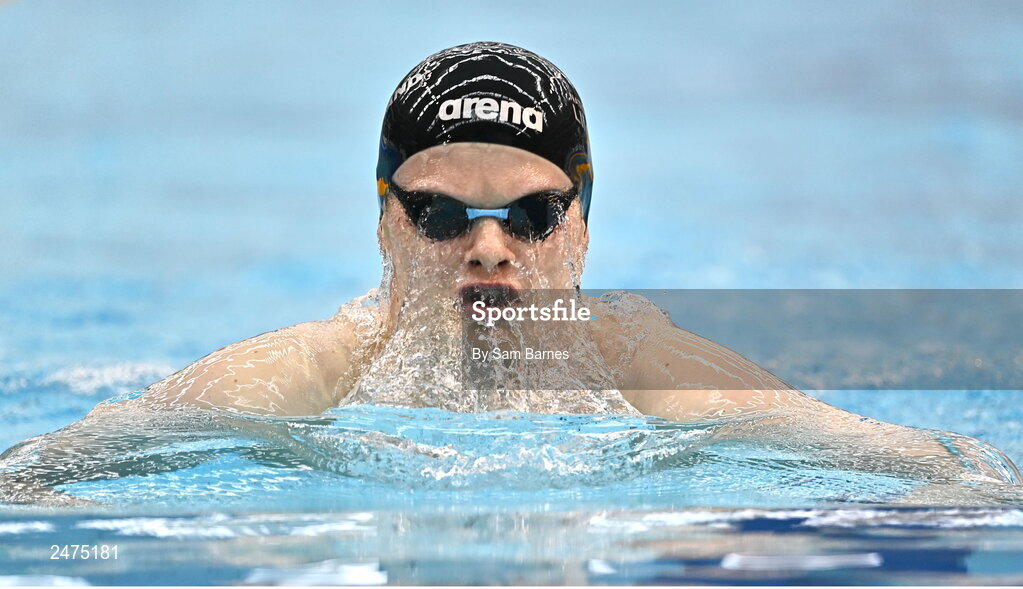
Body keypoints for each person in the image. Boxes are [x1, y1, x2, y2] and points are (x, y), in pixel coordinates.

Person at [2, 42, 1018, 504]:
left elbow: (931, 466)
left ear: (580, 228)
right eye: (440, 212)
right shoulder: (310, 377)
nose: (488, 248)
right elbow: (37, 473)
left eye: (531, 214)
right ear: (384, 222)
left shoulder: (640, 366)